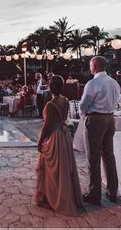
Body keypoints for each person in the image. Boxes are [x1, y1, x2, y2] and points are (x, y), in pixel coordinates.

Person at [35, 75, 83, 216]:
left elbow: (46, 126)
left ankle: (54, 198)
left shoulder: (51, 104)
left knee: (53, 170)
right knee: (64, 168)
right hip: (65, 136)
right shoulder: (65, 100)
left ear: (51, 87)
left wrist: (40, 142)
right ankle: (65, 195)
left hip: (55, 137)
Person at [79, 56, 120, 205]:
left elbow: (83, 104)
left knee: (93, 157)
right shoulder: (114, 83)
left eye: (90, 65)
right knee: (109, 156)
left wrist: (84, 117)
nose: (90, 68)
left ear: (94, 66)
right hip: (110, 119)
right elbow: (117, 100)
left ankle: (94, 193)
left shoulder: (93, 83)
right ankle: (112, 191)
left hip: (96, 119)